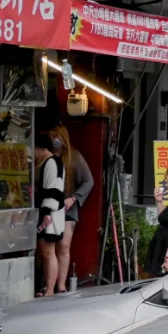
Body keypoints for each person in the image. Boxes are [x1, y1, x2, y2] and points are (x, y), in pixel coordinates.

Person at [50, 125, 94, 293]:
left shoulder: (74, 157)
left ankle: (61, 285)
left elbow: (89, 181)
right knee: (49, 247)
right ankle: (50, 284)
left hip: (67, 208)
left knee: (63, 245)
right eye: (52, 136)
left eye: (57, 136)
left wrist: (74, 197)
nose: (55, 140)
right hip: (49, 206)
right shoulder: (48, 156)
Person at [33, 133, 66, 297]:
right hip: (50, 213)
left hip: (50, 214)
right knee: (46, 252)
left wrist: (46, 212)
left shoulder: (52, 163)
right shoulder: (49, 162)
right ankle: (48, 287)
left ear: (40, 148)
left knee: (48, 251)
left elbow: (54, 190)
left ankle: (50, 289)